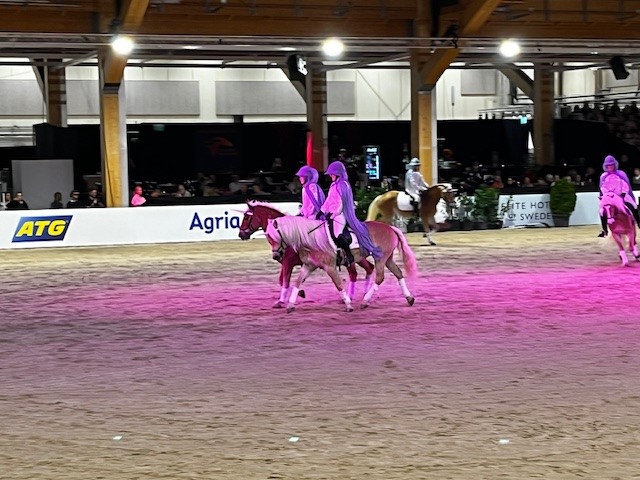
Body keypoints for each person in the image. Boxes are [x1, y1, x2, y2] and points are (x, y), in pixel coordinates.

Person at [319, 160, 380, 267]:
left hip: (340, 215)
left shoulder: (343, 185)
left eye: (332, 174)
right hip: (331, 214)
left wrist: (333, 214)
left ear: (337, 173)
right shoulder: (333, 185)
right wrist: (322, 211)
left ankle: (349, 255)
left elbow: (341, 203)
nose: (331, 176)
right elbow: (329, 200)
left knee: (337, 234)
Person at [598, 154, 640, 237]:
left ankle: (638, 222)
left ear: (615, 165)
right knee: (602, 211)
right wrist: (606, 195)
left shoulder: (621, 174)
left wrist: (623, 193)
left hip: (621, 195)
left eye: (611, 165)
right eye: (608, 165)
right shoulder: (603, 176)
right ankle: (605, 230)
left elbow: (625, 184)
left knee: (633, 206)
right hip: (609, 197)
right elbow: (602, 187)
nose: (610, 167)